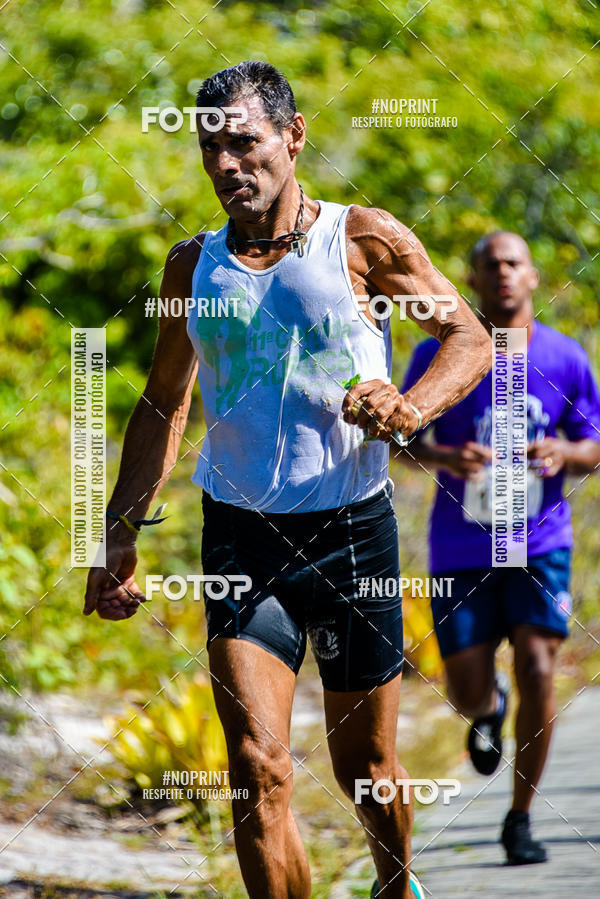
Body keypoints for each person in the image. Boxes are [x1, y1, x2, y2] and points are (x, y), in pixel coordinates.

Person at [84, 60, 491, 898]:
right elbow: (164, 405)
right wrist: (120, 528)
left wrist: (408, 405)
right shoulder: (190, 266)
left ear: (293, 137)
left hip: (351, 535)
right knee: (257, 765)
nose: (228, 164)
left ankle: (394, 881)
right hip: (240, 535)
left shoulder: (361, 236)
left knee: (367, 769)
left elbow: (469, 338)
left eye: (245, 142)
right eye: (211, 148)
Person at [399, 231, 600, 865]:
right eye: (490, 265)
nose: (504, 274)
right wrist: (442, 454)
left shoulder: (566, 358)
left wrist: (562, 452)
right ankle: (489, 710)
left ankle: (519, 820)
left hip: (540, 541)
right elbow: (400, 435)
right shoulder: (445, 354)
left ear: (533, 277)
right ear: (474, 279)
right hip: (461, 546)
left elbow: (592, 441)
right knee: (464, 688)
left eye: (514, 263)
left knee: (541, 666)